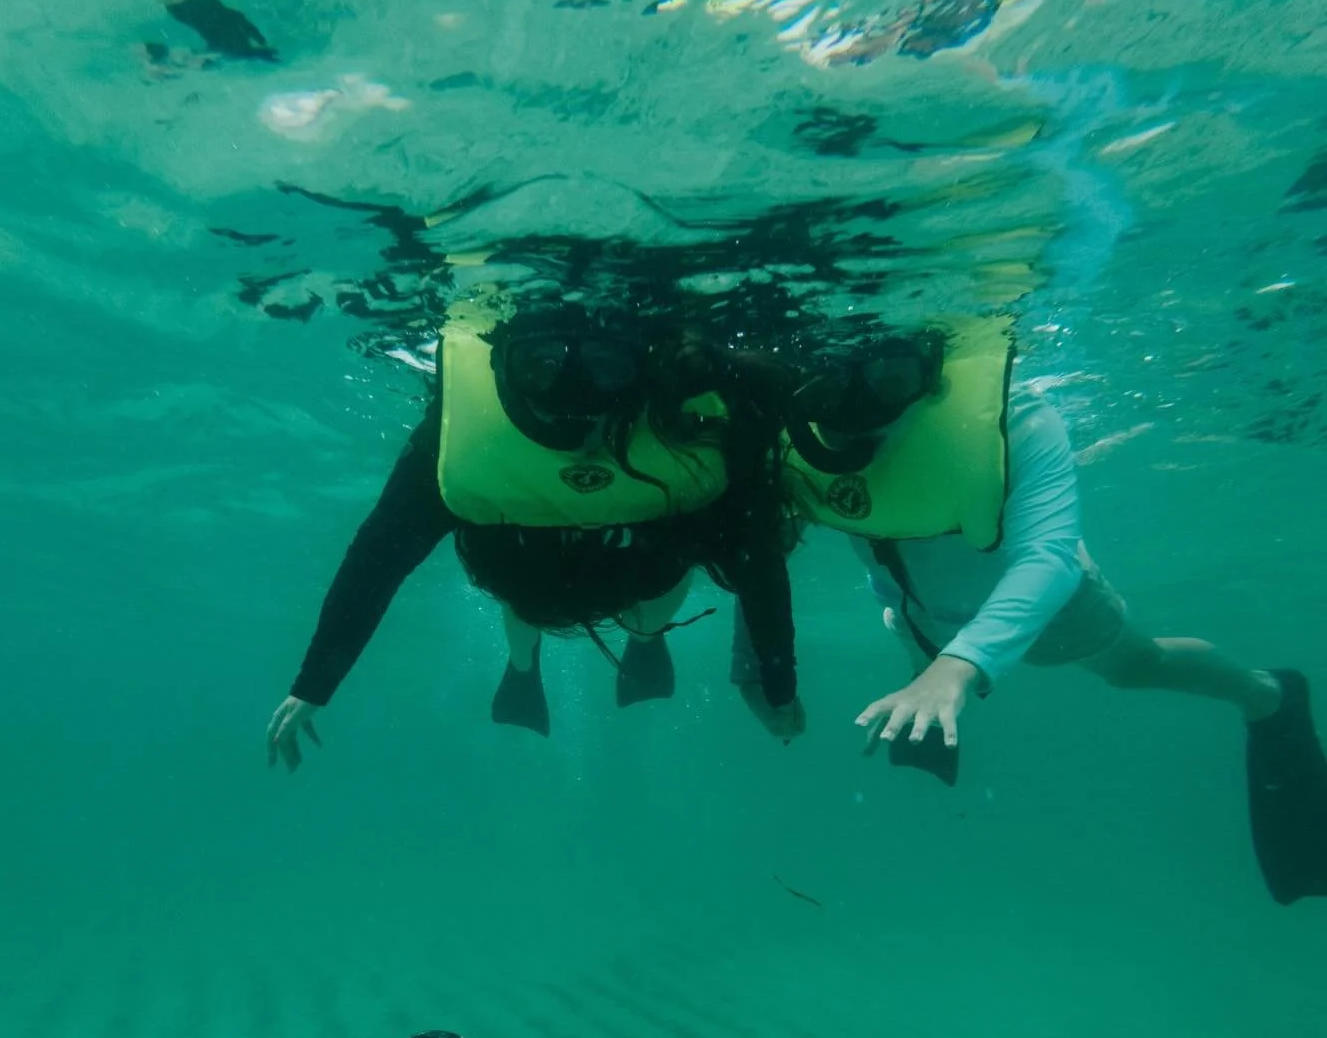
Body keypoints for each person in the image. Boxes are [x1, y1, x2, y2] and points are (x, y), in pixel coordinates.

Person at [733, 317, 1327, 906]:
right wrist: (759, 664)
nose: (865, 403)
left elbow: (1048, 558)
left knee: (1134, 666)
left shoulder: (1013, 418)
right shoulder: (793, 436)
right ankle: (930, 691)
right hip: (914, 607)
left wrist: (959, 665)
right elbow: (762, 549)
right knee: (912, 638)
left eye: (893, 374)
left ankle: (1267, 694)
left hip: (1047, 609)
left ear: (933, 363)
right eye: (835, 379)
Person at [268, 296, 804, 765]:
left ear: (645, 369)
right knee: (526, 584)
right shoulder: (461, 440)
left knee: (660, 570)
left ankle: (644, 638)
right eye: (541, 364)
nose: (571, 392)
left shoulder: (683, 412)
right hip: (521, 549)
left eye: (604, 365)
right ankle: (525, 664)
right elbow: (378, 557)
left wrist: (779, 684)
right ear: (501, 363)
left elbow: (753, 557)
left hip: (642, 540)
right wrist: (313, 684)